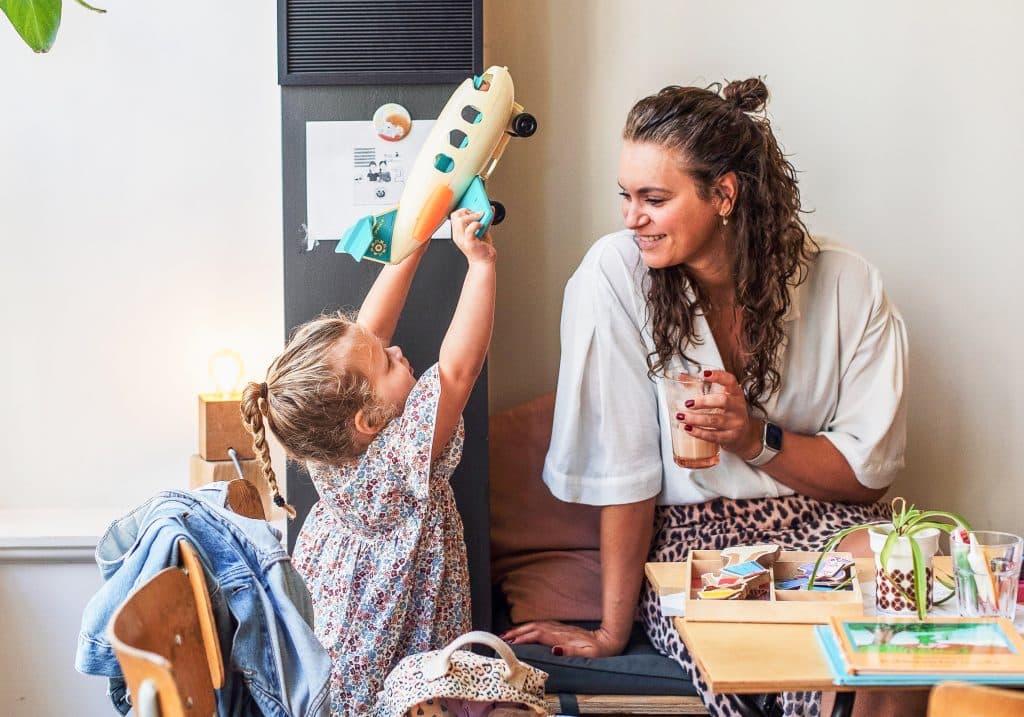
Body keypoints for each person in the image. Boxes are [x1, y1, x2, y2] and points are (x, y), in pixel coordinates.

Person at [502, 78, 908, 717]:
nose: (631, 217)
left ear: (724, 194)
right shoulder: (616, 276)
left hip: (830, 528)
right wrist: (612, 632)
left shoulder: (845, 282)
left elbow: (865, 481)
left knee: (898, 644)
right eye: (626, 196)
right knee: (803, 665)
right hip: (700, 547)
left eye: (654, 199)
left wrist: (754, 438)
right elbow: (624, 473)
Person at [240, 208, 497, 715]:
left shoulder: (327, 441)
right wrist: (481, 265)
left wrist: (415, 242)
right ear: (370, 420)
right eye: (385, 362)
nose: (397, 350)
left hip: (341, 633)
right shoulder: (399, 464)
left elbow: (368, 329)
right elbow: (459, 371)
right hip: (382, 648)